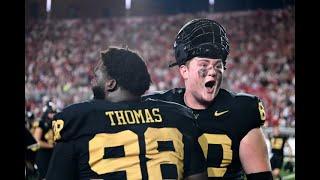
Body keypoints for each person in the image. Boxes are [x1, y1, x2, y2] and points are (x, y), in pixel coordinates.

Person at [46, 47, 207, 180]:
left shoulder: (77, 119)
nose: (93, 73)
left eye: (99, 71)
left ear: (111, 84)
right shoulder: (179, 116)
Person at [143, 19, 272, 179]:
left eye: (218, 66)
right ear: (184, 71)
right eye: (204, 65)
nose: (212, 71)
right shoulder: (158, 107)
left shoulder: (241, 111)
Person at [33, 101, 56, 179]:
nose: (53, 115)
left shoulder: (55, 123)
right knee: (44, 176)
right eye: (51, 112)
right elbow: (36, 141)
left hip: (52, 154)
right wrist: (51, 146)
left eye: (54, 112)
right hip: (43, 154)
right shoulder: (41, 123)